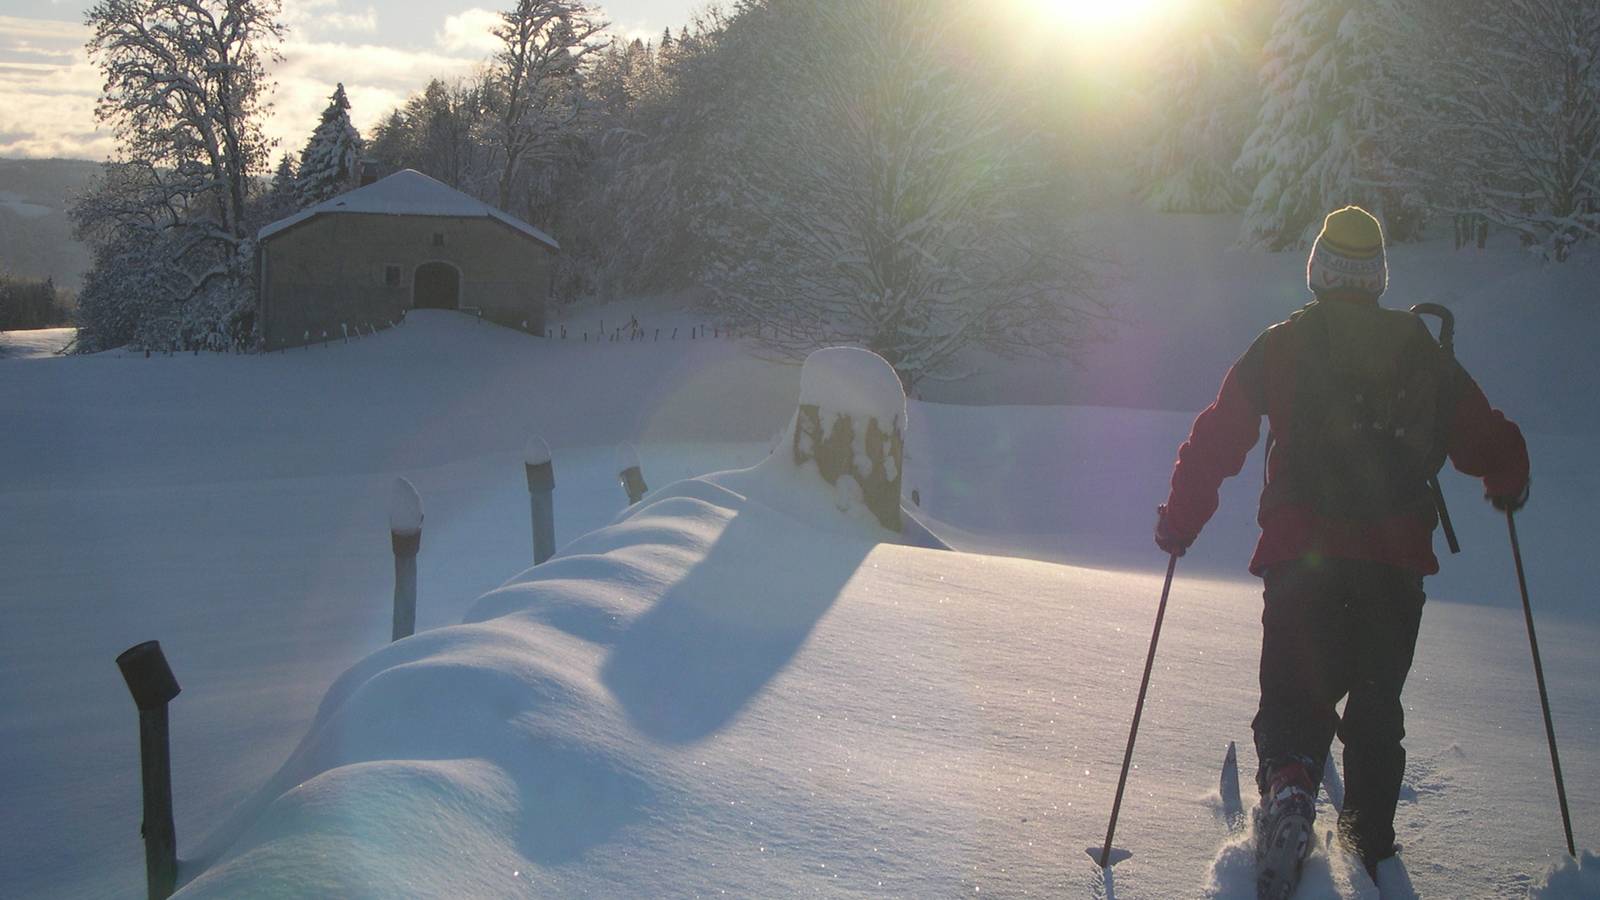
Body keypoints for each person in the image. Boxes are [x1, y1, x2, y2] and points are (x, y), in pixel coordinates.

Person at [1153, 206, 1529, 894]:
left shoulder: (1283, 344)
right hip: (1395, 564)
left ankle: (1292, 788)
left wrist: (1180, 521)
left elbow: (1218, 437)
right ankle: (1371, 842)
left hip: (1303, 557)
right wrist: (1508, 477)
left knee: (1294, 696)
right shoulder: (1420, 347)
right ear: (1378, 277)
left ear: (1320, 271)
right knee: (1378, 706)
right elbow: (1489, 440)